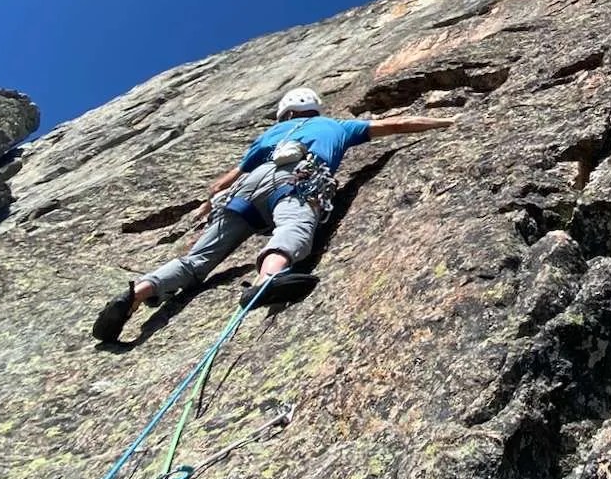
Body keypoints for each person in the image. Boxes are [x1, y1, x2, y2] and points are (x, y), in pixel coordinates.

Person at [92, 86, 454, 342]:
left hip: (245, 191)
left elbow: (226, 180)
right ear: (315, 109)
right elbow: (395, 124)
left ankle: (138, 293)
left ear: (286, 112)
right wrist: (445, 124)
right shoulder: (337, 126)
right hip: (298, 177)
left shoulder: (271, 133)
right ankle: (268, 279)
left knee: (197, 259)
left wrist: (207, 205)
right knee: (295, 223)